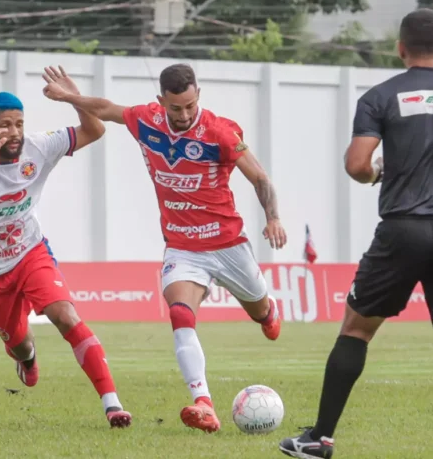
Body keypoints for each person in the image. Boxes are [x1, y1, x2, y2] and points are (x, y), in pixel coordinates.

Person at [278, 9, 433, 459]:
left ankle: (319, 439)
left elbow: (356, 164)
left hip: (402, 229)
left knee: (357, 328)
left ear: (401, 48)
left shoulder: (381, 96)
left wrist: (374, 176)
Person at [40, 64, 287, 433]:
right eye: (176, 108)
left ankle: (267, 312)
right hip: (182, 247)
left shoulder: (220, 132)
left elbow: (260, 177)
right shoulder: (146, 120)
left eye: (190, 105)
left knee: (260, 312)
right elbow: (106, 108)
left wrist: (273, 218)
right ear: (161, 102)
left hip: (228, 244)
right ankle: (203, 402)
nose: (184, 115)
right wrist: (70, 97)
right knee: (180, 315)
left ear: (198, 95)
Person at [0, 88, 132, 429]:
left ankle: (113, 404)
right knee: (20, 345)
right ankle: (28, 358)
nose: (14, 133)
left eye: (19, 124)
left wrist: (72, 99)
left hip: (30, 251)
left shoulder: (39, 146)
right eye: (5, 125)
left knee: (65, 315)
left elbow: (95, 130)